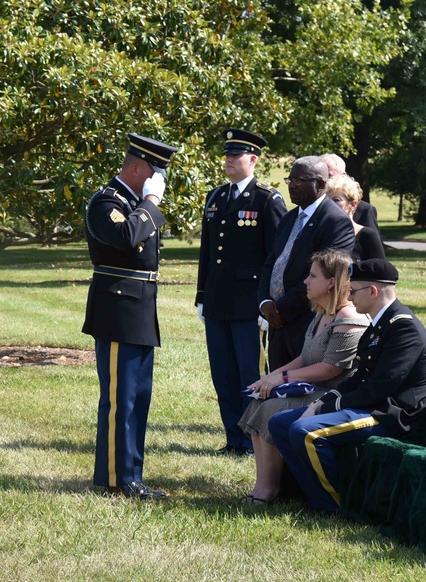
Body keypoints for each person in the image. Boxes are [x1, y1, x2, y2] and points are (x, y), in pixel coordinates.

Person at [268, 258, 426, 513]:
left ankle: (336, 506)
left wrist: (326, 408)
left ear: (373, 291)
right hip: (369, 406)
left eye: (352, 290)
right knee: (280, 423)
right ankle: (308, 495)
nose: (347, 295)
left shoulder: (404, 329)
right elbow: (358, 379)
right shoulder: (379, 323)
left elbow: (379, 388)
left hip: (390, 415)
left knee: (305, 431)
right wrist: (321, 402)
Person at [83, 133, 179, 500]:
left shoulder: (133, 202)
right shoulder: (106, 201)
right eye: (155, 172)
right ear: (137, 168)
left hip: (139, 308)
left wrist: (148, 201)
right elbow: (126, 237)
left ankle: (132, 475)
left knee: (138, 396)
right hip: (117, 311)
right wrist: (152, 200)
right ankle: (114, 478)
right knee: (119, 398)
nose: (159, 181)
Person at [239, 249, 368, 504]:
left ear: (331, 282)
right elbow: (306, 358)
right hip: (314, 391)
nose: (305, 282)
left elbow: (330, 369)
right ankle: (262, 485)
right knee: (258, 403)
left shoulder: (349, 319)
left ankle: (270, 490)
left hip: (332, 396)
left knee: (272, 408)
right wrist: (273, 375)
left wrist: (282, 380)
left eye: (312, 276)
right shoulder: (321, 313)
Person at [196, 128, 286, 457]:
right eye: (227, 155)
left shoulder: (266, 199)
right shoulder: (216, 197)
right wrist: (202, 296)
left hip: (249, 303)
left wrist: (269, 304)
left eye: (237, 155)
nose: (229, 160)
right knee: (223, 373)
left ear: (254, 159)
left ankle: (252, 441)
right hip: (219, 300)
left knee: (251, 374)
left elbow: (276, 257)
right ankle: (232, 437)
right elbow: (207, 253)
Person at [258, 156, 356, 370]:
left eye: (300, 180)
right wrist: (265, 303)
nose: (292, 185)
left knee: (301, 390)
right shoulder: (288, 218)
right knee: (276, 387)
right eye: (290, 179)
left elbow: (325, 276)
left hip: (309, 320)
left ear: (320, 184)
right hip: (276, 322)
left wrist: (281, 309)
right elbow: (271, 264)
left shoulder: (335, 222)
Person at [326, 175, 386, 261]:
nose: (330, 205)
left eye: (336, 200)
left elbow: (382, 271)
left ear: (353, 204)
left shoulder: (367, 236)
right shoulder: (320, 233)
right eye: (327, 200)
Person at [320, 153, 380, 237]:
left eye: (329, 175)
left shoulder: (364, 210)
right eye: (320, 176)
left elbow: (373, 245)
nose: (324, 181)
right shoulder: (310, 207)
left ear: (343, 175)